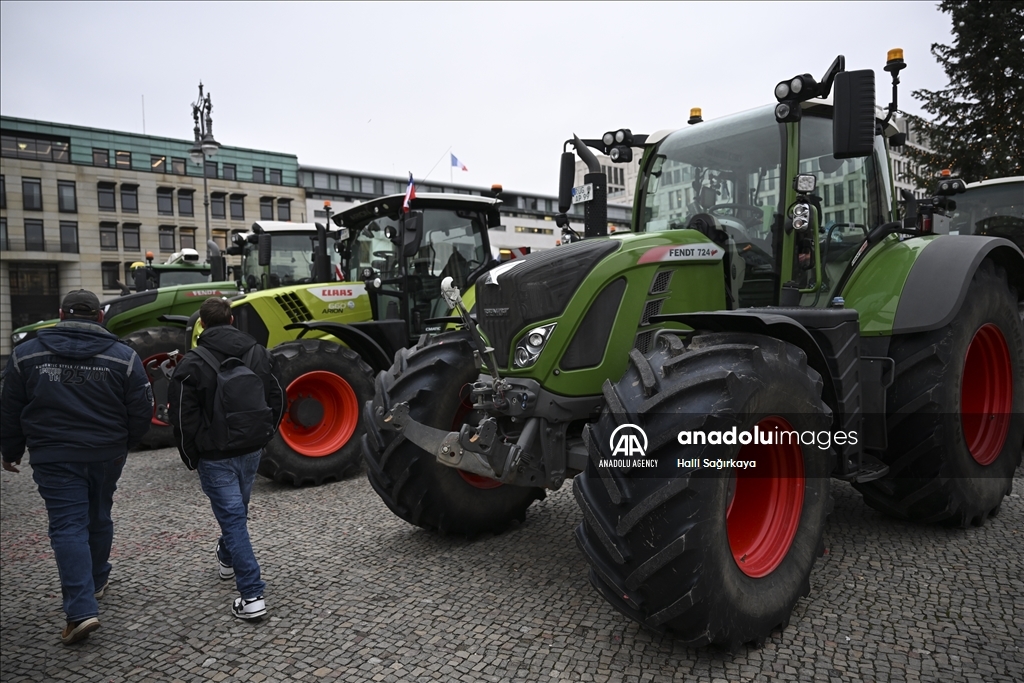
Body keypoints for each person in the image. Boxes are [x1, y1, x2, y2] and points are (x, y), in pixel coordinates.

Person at [0, 289, 153, 645]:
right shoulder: (124, 356)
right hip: (106, 454)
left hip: (53, 455)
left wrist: (10, 450)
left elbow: (9, 408)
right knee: (99, 515)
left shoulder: (26, 354)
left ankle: (81, 609)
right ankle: (97, 579)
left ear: (60, 313)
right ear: (100, 317)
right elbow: (142, 409)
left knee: (68, 525)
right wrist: (123, 443)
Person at [168, 297, 283, 620]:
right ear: (232, 320)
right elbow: (277, 396)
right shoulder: (258, 352)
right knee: (236, 514)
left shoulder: (191, 363)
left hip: (215, 455)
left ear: (202, 324)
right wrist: (265, 435)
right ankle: (226, 554)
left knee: (233, 517)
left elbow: (181, 417)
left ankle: (252, 595)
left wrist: (193, 457)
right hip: (250, 450)